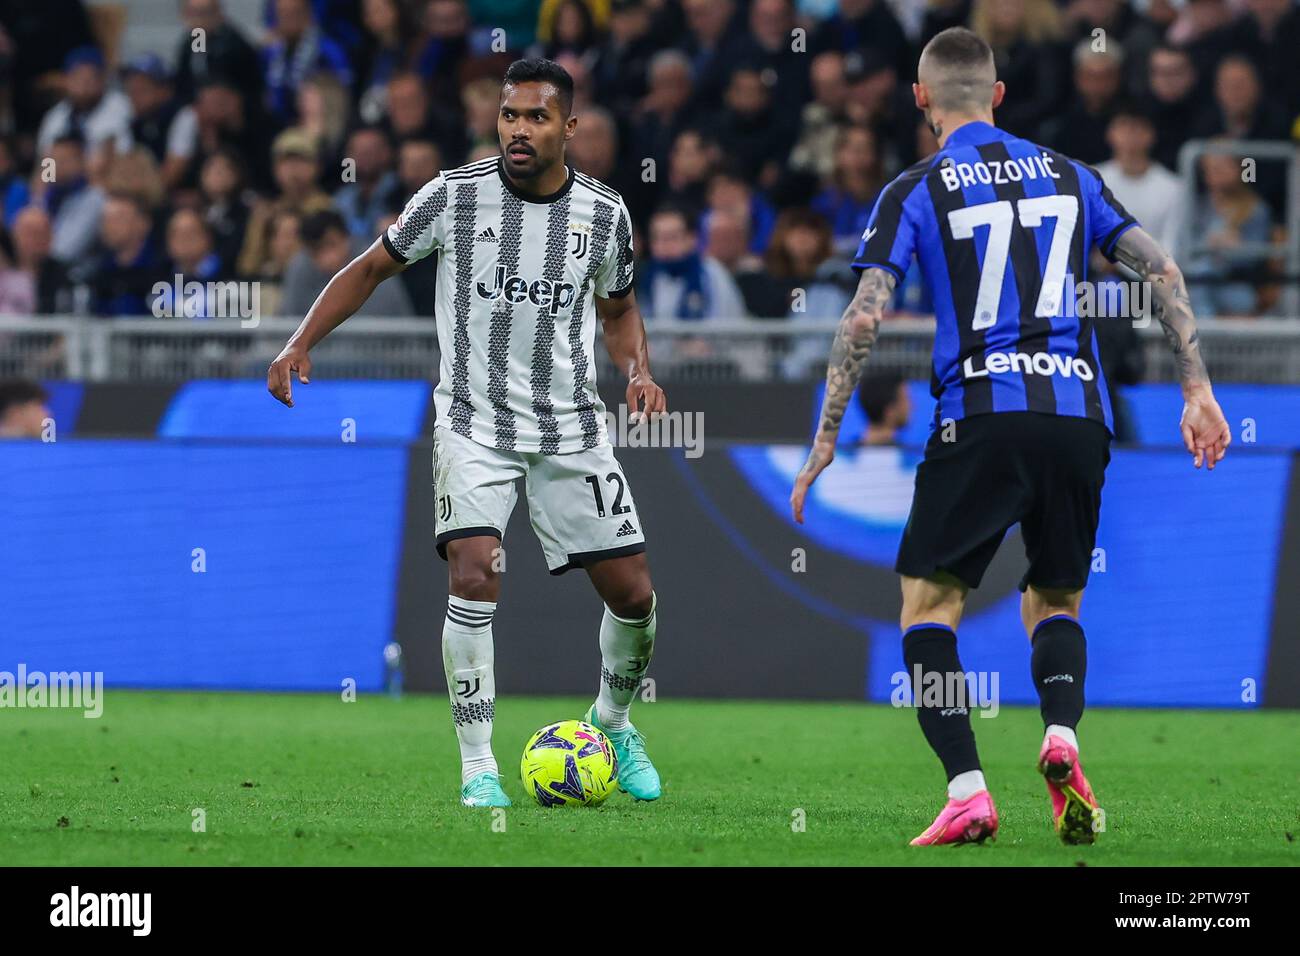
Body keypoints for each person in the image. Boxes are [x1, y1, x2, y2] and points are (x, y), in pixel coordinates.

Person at [789, 27, 1230, 847]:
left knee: (930, 606)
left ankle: (968, 792)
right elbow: (1163, 272)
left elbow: (863, 318)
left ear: (920, 99)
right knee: (1056, 599)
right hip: (1079, 417)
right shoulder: (1073, 175)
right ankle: (1061, 735)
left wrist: (826, 435)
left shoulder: (915, 187)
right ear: (998, 96)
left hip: (982, 414)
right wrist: (1196, 388)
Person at [267, 58, 666, 809]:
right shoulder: (451, 197)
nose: (519, 129)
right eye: (510, 116)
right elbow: (369, 268)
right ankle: (478, 765)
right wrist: (300, 340)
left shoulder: (605, 214)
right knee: (475, 573)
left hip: (569, 427)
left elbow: (618, 309)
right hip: (472, 423)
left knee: (635, 594)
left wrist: (638, 369)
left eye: (537, 117)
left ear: (568, 128)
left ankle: (612, 722)